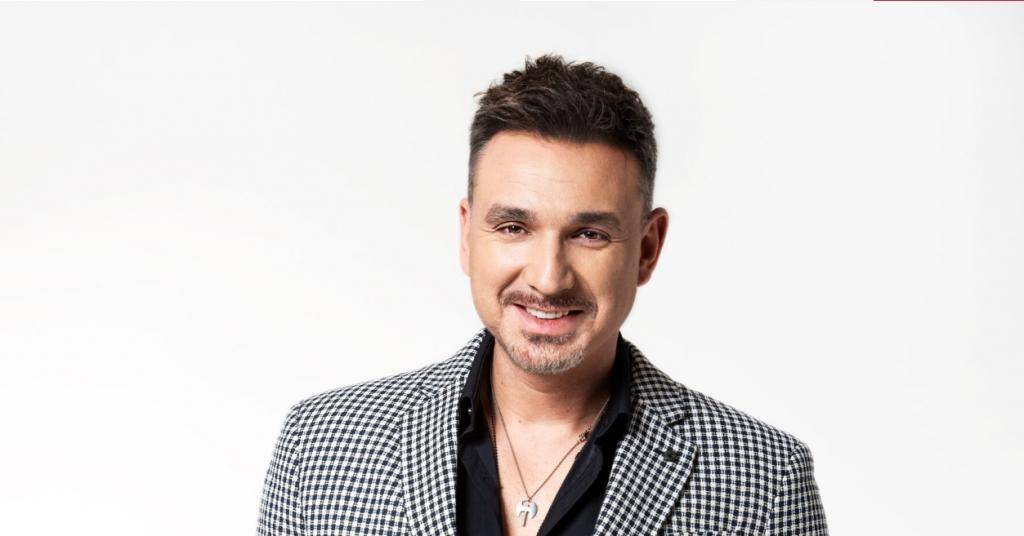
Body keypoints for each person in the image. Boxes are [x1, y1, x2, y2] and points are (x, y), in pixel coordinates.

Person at [257, 54, 828, 536]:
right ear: (467, 235)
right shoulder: (320, 448)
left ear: (647, 248)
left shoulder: (765, 482)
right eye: (514, 227)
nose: (549, 278)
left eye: (589, 234)